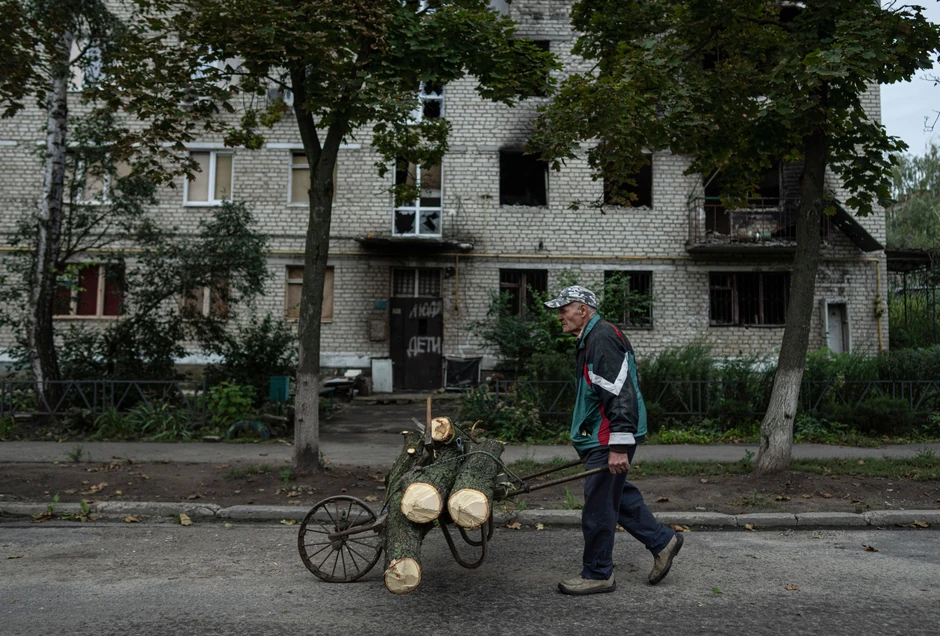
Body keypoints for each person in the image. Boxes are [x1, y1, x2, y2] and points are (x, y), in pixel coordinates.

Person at [544, 285, 683, 595]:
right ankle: (662, 541)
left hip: (609, 437)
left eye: (563, 309)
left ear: (582, 309)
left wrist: (618, 446)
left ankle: (597, 573)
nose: (559, 316)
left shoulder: (601, 338)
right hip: (603, 436)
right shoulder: (591, 338)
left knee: (598, 506)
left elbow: (619, 393)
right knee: (616, 498)